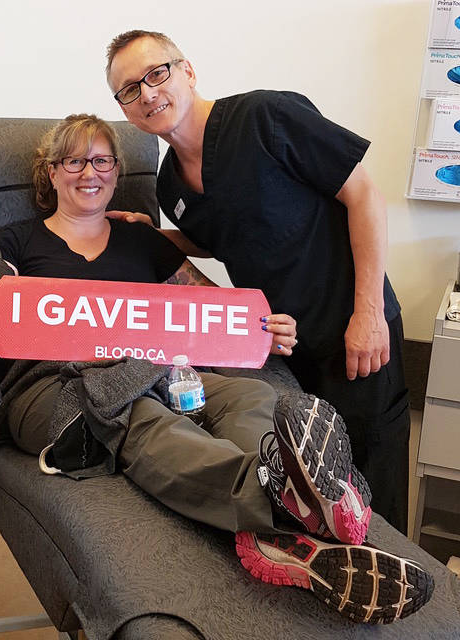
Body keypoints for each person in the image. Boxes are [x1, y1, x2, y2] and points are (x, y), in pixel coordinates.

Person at [0, 115, 432, 623]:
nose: (91, 171)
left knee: (248, 401)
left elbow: (211, 313)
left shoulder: (143, 241)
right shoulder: (16, 241)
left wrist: (264, 332)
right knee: (145, 419)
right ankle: (274, 504)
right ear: (50, 173)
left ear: (115, 172)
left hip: (155, 368)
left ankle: (293, 502)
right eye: (74, 160)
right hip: (54, 389)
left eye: (103, 160)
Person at [105, 30, 411, 535]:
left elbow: (364, 196)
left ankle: (401, 595)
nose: (147, 93)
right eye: (129, 90)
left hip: (353, 330)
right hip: (282, 347)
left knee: (372, 487)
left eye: (155, 73)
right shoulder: (170, 184)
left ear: (187, 71)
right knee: (314, 487)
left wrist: (370, 314)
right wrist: (159, 235)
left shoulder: (266, 118)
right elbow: (226, 235)